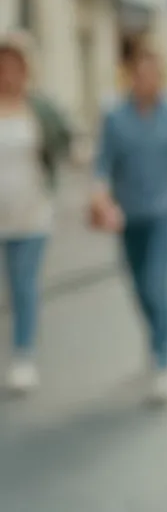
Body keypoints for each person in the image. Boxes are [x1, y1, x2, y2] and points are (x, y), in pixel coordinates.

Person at [90, 36, 167, 405]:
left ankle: (164, 360)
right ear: (129, 76)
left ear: (161, 76)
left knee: (156, 281)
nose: (145, 80)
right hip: (128, 216)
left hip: (166, 214)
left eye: (152, 74)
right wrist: (99, 196)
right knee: (138, 286)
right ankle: (161, 337)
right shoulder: (115, 115)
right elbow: (102, 164)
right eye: (138, 74)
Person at [0, 32, 71, 394]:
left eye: (16, 66)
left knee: (23, 287)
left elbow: (66, 141)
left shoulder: (39, 108)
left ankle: (23, 356)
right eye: (3, 66)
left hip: (31, 213)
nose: (8, 73)